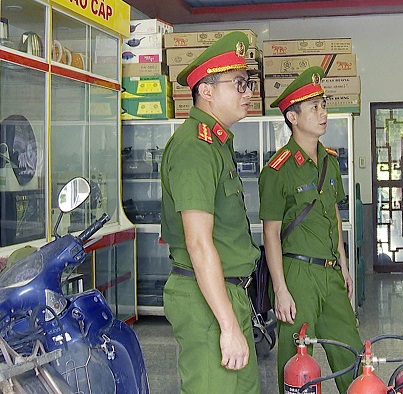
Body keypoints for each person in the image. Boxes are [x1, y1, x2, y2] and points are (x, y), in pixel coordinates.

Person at [160, 31, 261, 393]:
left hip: (226, 294)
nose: (248, 92)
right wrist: (228, 326)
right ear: (206, 90)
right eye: (239, 83)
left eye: (248, 84)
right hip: (206, 299)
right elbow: (199, 244)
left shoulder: (216, 144)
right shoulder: (196, 148)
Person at [259, 66, 363, 393]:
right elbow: (271, 234)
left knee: (350, 351)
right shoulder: (278, 170)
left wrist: (345, 269)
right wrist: (280, 289)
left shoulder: (330, 162)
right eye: (314, 107)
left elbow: (333, 216)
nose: (323, 113)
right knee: (296, 362)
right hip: (297, 274)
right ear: (293, 117)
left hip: (330, 273)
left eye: (324, 104)